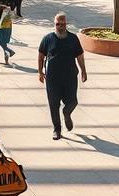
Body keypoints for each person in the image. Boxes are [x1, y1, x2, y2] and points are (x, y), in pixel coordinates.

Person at [37, 12, 87, 140]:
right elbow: (41, 55)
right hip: (52, 79)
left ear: (66, 24)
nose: (60, 26)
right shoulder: (48, 39)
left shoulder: (73, 38)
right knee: (53, 104)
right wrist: (40, 71)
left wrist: (83, 71)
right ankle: (57, 129)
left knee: (73, 102)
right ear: (54, 24)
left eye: (63, 24)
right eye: (58, 24)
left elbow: (80, 56)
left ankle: (67, 113)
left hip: (70, 78)